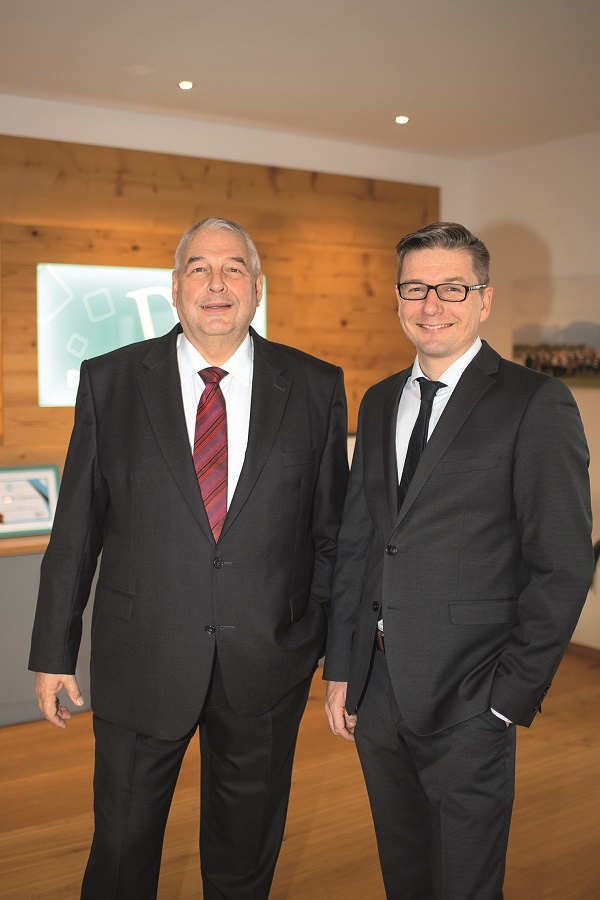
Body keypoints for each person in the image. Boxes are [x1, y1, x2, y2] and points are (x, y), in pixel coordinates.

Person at [29, 217, 348, 899]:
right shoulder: (111, 381)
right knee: (121, 851)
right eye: (199, 269)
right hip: (141, 660)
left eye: (233, 268)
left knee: (244, 857)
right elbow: (77, 528)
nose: (216, 284)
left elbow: (331, 535)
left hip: (267, 664)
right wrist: (54, 649)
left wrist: (326, 648)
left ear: (257, 286)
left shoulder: (315, 385)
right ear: (174, 288)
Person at [324, 221, 593, 900]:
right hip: (377, 694)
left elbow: (563, 565)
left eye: (452, 288)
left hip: (472, 697)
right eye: (415, 288)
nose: (431, 305)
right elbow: (361, 544)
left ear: (484, 299)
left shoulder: (536, 403)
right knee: (405, 876)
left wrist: (508, 699)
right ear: (397, 298)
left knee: (465, 885)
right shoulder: (379, 400)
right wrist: (343, 669)